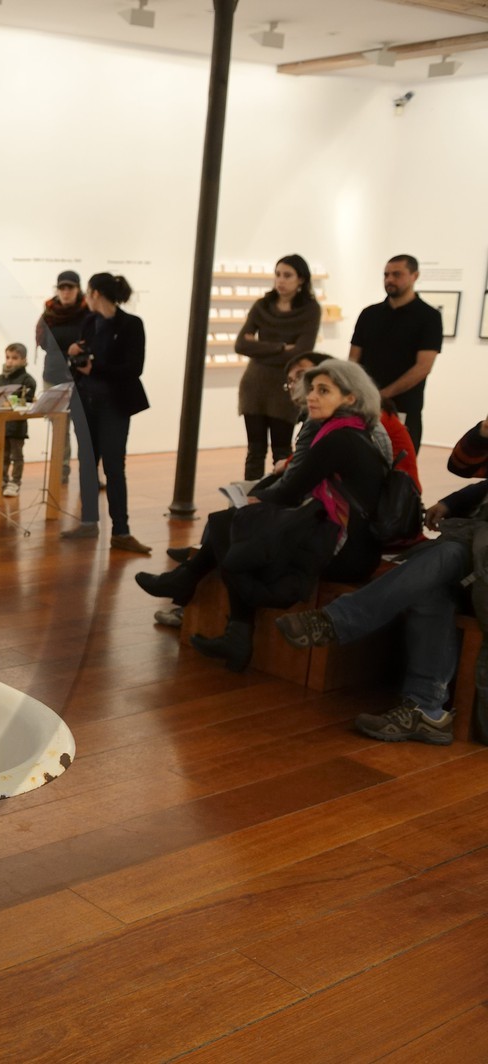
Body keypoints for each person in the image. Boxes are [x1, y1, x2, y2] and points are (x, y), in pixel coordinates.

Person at [276, 416, 488, 745]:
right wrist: (454, 498)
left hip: (478, 563)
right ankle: (427, 711)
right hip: (472, 557)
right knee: (429, 586)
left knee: (443, 558)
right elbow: (463, 467)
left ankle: (335, 622)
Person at [185, 360, 389, 672]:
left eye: (324, 391)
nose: (312, 396)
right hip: (355, 545)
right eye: (312, 389)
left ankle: (225, 619)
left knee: (230, 527)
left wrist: (252, 500)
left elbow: (291, 491)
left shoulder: (337, 438)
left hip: (344, 551)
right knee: (236, 527)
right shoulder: (354, 433)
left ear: (350, 399)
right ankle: (227, 624)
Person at [59, 272, 151, 554]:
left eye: (88, 291)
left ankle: (121, 531)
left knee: (113, 468)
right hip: (87, 401)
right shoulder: (89, 321)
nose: (86, 295)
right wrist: (73, 354)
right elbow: (81, 360)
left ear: (96, 293)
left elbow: (134, 368)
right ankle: (89, 522)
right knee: (87, 464)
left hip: (115, 404)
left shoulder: (131, 324)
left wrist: (95, 369)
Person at [235, 254, 321, 480]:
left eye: (287, 275)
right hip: (254, 384)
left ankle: (279, 503)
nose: (281, 280)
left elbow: (302, 352)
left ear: (301, 279)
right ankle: (248, 504)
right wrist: (282, 347)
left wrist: (260, 347)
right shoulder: (263, 305)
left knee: (282, 451)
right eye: (278, 274)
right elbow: (241, 344)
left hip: (286, 386)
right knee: (255, 450)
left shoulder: (310, 309)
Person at [350, 254, 443, 448]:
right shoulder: (369, 314)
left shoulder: (429, 317)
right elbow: (353, 360)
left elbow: (423, 367)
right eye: (386, 274)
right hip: (364, 404)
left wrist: (383, 394)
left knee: (400, 465)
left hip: (404, 407)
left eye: (397, 274)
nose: (389, 279)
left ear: (414, 276)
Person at [35, 270, 92, 484]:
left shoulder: (88, 313)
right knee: (59, 427)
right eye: (62, 288)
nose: (66, 292)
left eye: (71, 288)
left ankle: (90, 471)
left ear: (78, 290)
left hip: (81, 377)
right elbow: (41, 341)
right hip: (53, 375)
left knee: (84, 427)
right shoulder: (49, 313)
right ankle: (62, 470)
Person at [0, 342, 37, 498]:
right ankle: (2, 479)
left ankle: (15, 482)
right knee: (2, 455)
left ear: (24, 360)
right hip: (2, 425)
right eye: (7, 357)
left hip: (17, 426)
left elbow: (29, 401)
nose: (10, 361)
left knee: (16, 456)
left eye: (15, 358)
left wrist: (10, 402)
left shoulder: (27, 380)